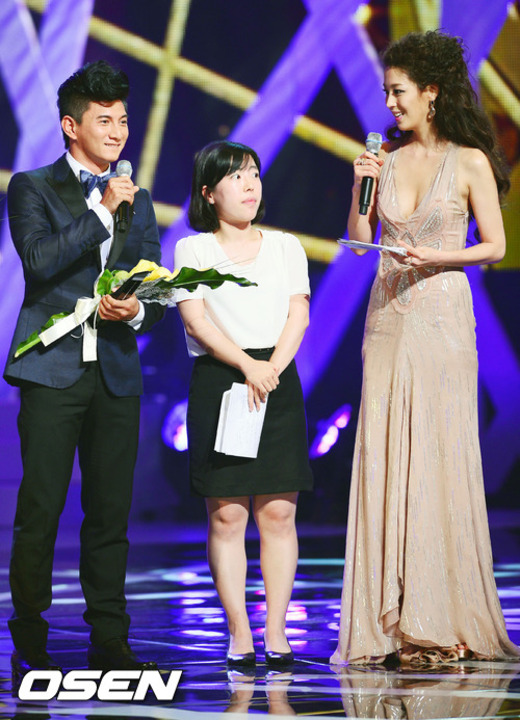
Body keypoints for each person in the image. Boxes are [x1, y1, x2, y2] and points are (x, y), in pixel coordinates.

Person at [331, 31, 520, 666]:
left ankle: (443, 616)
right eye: (387, 92)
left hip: (441, 316)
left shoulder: (468, 161)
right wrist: (360, 186)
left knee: (437, 453)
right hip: (387, 317)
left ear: (432, 92)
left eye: (399, 91)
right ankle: (389, 621)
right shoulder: (384, 160)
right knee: (385, 452)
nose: (390, 103)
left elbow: (494, 245)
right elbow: (359, 241)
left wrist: (436, 256)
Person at [4, 60, 164, 684]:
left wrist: (138, 309)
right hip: (52, 369)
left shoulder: (137, 199)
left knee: (110, 512)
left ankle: (110, 641)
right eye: (104, 120)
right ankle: (30, 638)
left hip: (116, 370)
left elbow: (153, 277)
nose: (118, 131)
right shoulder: (32, 186)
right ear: (72, 126)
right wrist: (100, 211)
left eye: (123, 119)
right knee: (41, 508)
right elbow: (39, 260)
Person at [174, 140, 313, 668]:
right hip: (222, 380)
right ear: (209, 193)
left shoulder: (286, 246)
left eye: (253, 173)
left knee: (278, 514)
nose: (250, 183)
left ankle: (276, 629)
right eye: (235, 176)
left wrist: (270, 366)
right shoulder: (193, 250)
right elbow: (196, 321)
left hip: (276, 378)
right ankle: (239, 631)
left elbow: (298, 313)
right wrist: (247, 365)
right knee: (228, 516)